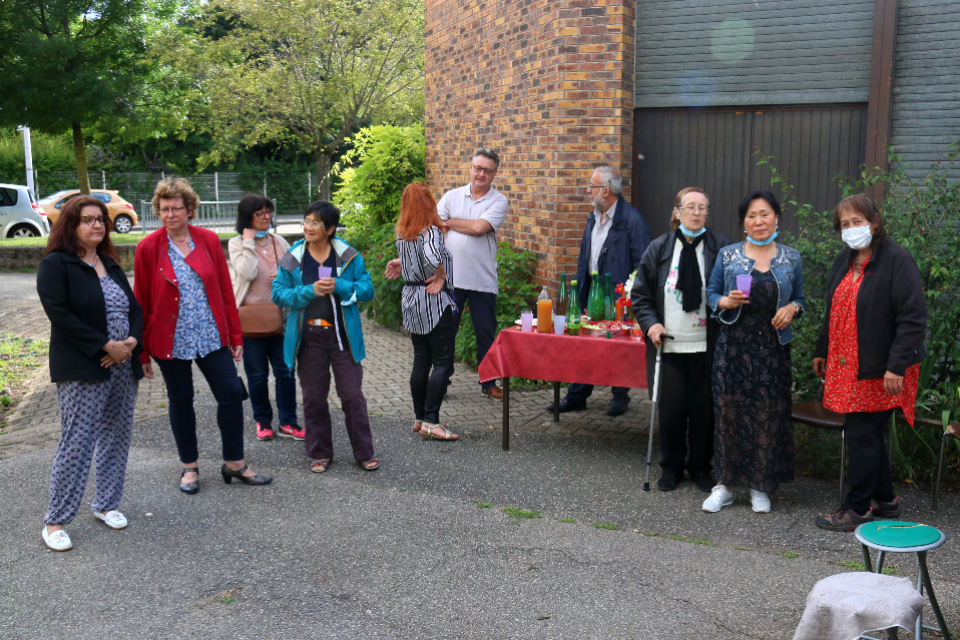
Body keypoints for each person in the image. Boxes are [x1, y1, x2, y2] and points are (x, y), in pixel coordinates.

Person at [135, 177, 271, 493]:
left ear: (191, 209)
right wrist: (141, 352)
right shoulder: (147, 247)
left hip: (211, 335)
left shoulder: (208, 240)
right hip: (169, 338)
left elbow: (225, 289)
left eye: (177, 208)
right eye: (164, 208)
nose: (170, 214)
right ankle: (189, 467)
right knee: (180, 400)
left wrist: (235, 336)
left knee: (230, 395)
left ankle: (235, 463)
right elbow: (140, 300)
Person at [812, 194, 926, 531]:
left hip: (882, 366)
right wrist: (822, 349)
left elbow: (912, 318)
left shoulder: (897, 260)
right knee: (870, 433)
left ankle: (858, 507)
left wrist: (896, 365)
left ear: (875, 222)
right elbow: (832, 307)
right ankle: (885, 500)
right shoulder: (844, 259)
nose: (851, 229)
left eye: (857, 221)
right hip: (848, 364)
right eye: (845, 224)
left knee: (862, 433)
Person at [36, 196, 143, 551]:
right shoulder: (57, 265)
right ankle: (55, 522)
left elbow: (135, 309)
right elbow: (61, 315)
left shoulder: (110, 264)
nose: (97, 225)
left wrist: (129, 342)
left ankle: (106, 504)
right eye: (88, 219)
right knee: (77, 442)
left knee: (117, 437)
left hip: (122, 366)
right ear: (71, 224)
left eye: (101, 220)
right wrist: (104, 345)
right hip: (85, 367)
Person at [703, 191, 805, 514]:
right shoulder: (728, 255)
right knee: (728, 415)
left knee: (765, 415)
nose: (758, 221)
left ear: (777, 216)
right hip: (732, 348)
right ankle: (724, 486)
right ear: (743, 222)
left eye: (764, 214)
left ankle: (760, 486)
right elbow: (710, 294)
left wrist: (792, 308)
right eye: (751, 215)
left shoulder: (791, 258)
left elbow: (802, 299)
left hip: (771, 351)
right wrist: (725, 302)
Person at [631, 187, 732, 493]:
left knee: (703, 410)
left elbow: (739, 281)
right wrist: (651, 324)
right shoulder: (659, 248)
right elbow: (641, 294)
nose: (697, 213)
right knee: (672, 409)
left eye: (703, 207)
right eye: (690, 207)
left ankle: (700, 466)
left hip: (707, 345)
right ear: (677, 212)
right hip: (668, 344)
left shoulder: (721, 247)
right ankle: (672, 466)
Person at [388, 148, 508, 401]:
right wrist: (403, 260)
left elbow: (479, 227)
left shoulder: (499, 201)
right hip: (449, 280)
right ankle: (441, 382)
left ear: (495, 173)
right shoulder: (452, 196)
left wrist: (451, 222)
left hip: (482, 279)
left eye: (487, 170)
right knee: (445, 333)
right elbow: (429, 231)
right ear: (471, 167)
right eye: (478, 167)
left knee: (486, 331)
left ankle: (489, 382)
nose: (481, 173)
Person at [272, 200, 377, 473]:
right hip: (308, 338)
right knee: (314, 397)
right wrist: (308, 291)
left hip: (342, 336)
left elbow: (366, 288)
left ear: (330, 228)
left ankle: (364, 452)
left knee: (352, 395)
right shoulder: (295, 257)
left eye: (316, 223)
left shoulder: (348, 255)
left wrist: (340, 286)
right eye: (306, 221)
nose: (308, 227)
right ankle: (319, 453)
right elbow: (278, 293)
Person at [550, 165, 651, 417]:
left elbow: (643, 264)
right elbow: (585, 255)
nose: (587, 190)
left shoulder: (632, 220)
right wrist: (578, 291)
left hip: (617, 296)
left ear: (605, 190)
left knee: (617, 348)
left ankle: (620, 397)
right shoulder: (592, 217)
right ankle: (577, 396)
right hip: (590, 291)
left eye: (591, 186)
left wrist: (630, 296)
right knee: (585, 345)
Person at [384, 182, 460, 440]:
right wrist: (441, 275)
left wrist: (401, 263)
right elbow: (429, 256)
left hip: (412, 299)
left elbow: (413, 260)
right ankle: (432, 421)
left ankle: (419, 418)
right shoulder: (431, 232)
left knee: (421, 360)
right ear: (428, 202)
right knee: (442, 362)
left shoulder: (403, 233)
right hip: (434, 300)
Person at [228, 194, 301, 442]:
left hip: (281, 317)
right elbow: (247, 272)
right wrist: (249, 243)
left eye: (268, 211)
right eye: (260, 213)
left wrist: (283, 276)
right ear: (247, 217)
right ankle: (263, 421)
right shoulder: (237, 244)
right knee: (257, 375)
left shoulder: (279, 241)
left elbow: (296, 272)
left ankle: (289, 422)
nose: (266, 216)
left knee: (286, 371)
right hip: (251, 320)